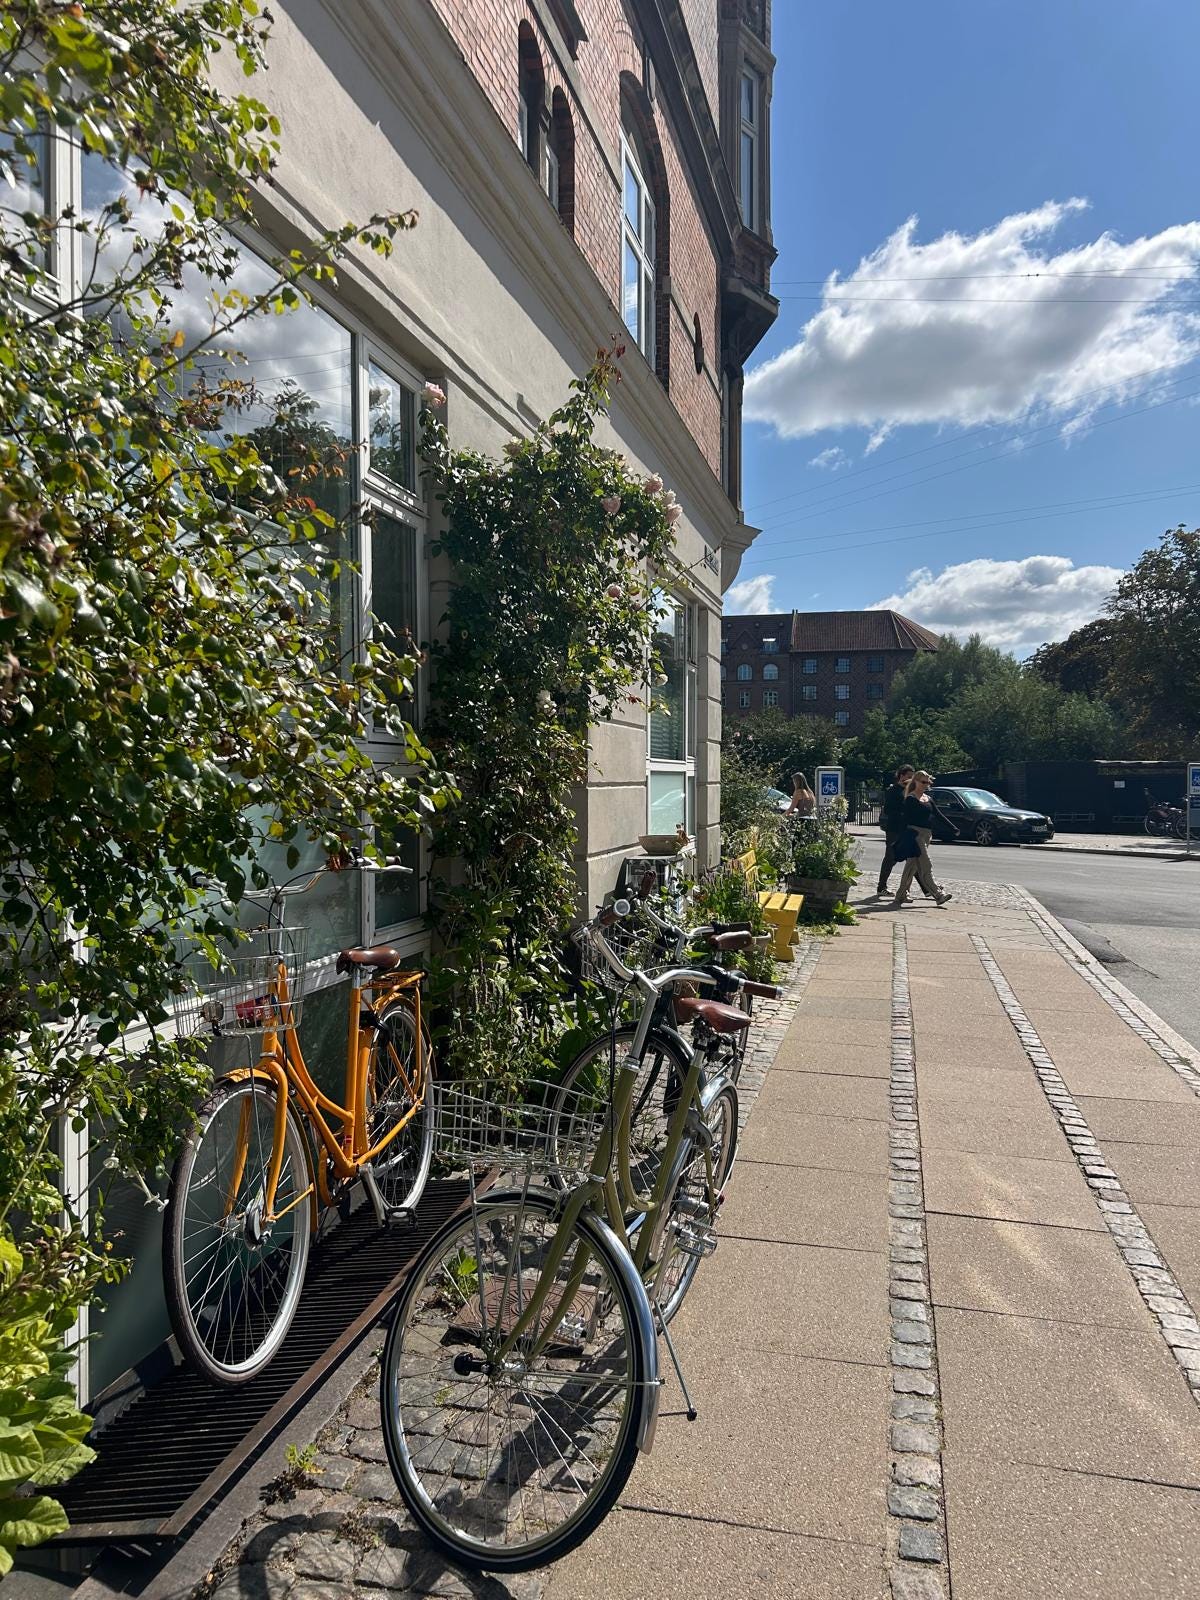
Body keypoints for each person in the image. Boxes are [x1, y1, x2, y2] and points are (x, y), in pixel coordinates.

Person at [892, 770, 954, 907]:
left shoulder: (928, 799)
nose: (926, 784)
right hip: (915, 834)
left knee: (912, 866)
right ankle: (938, 894)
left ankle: (901, 894)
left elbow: (938, 815)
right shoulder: (911, 799)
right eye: (923, 782)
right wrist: (901, 839)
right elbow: (904, 819)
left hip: (927, 835)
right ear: (916, 782)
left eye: (928, 782)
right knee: (926, 864)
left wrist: (953, 828)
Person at [875, 763, 914, 897]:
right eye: (908, 776)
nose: (910, 779)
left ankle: (928, 888)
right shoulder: (893, 790)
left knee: (913, 858)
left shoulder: (910, 790)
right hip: (894, 828)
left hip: (906, 828)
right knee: (891, 858)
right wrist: (903, 810)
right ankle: (881, 886)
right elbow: (888, 809)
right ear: (901, 776)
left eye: (912, 776)